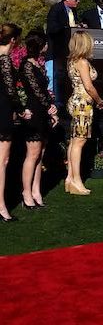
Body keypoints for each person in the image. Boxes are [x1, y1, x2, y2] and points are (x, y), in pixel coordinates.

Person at [19, 31, 58, 209]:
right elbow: (35, 91)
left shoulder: (38, 64)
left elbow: (44, 90)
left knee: (40, 154)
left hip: (43, 112)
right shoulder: (26, 65)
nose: (47, 46)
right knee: (32, 154)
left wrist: (51, 107)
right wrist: (49, 106)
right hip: (34, 112)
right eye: (45, 43)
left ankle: (36, 190)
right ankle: (26, 192)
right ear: (39, 45)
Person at [67, 31, 103, 195]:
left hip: (76, 101)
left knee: (74, 141)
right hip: (82, 104)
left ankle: (70, 178)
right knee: (79, 142)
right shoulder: (82, 62)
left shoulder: (72, 61)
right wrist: (99, 101)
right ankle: (76, 180)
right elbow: (89, 87)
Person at [0, 23, 28, 221]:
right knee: (2, 161)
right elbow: (11, 91)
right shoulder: (5, 60)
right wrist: (21, 110)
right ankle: (1, 207)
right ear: (13, 40)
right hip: (2, 112)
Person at [46, 0, 85, 107]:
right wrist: (68, 28)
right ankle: (55, 103)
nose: (78, 1)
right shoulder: (56, 9)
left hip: (69, 51)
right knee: (56, 78)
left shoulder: (73, 11)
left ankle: (65, 103)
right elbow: (52, 28)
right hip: (58, 52)